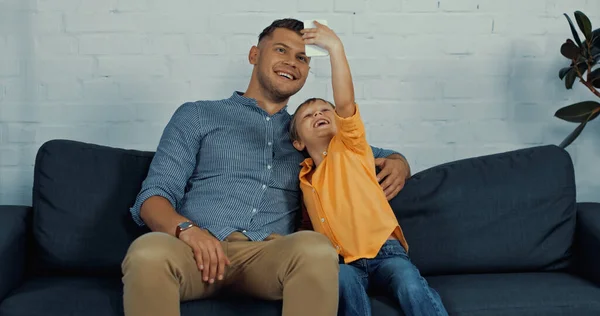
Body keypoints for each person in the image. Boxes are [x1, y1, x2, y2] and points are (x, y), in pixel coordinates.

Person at [121, 18, 411, 316]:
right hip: (196, 251)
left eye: (302, 58)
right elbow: (153, 197)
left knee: (316, 250)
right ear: (254, 55)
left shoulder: (307, 132)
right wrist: (188, 231)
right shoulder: (197, 115)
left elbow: (365, 152)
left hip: (270, 256)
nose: (292, 62)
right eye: (281, 50)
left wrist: (400, 162)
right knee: (148, 252)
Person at [289, 21, 448, 316]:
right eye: (308, 115)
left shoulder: (351, 148)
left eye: (325, 110)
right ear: (298, 142)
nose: (319, 114)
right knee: (344, 285)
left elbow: (346, 102)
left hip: (385, 252)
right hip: (343, 262)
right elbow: (307, 226)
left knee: (409, 283)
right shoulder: (305, 178)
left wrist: (335, 49)